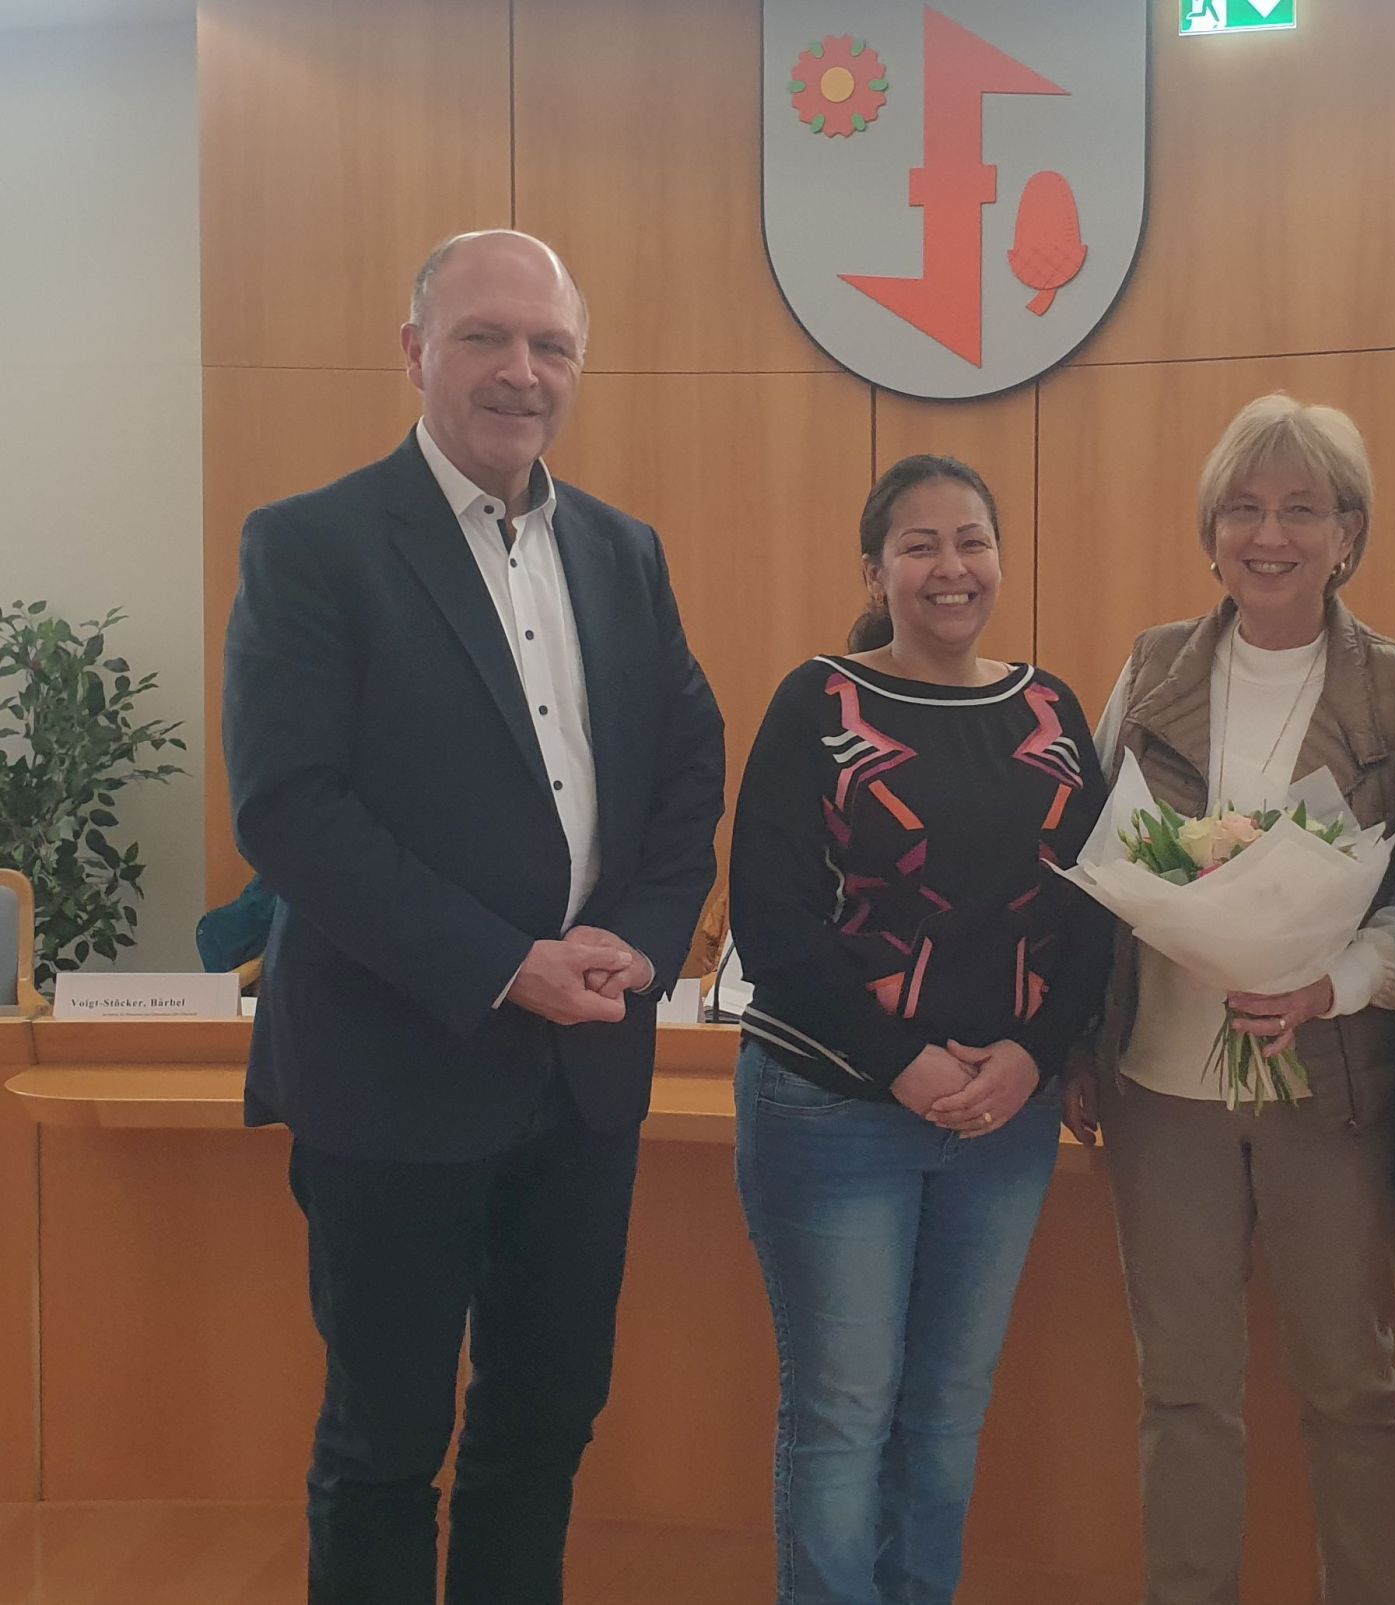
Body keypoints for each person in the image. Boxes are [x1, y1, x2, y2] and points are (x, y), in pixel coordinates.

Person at [222, 229, 725, 1605]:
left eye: (550, 344)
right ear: (416, 352)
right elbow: (291, 808)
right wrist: (505, 964)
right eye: (486, 338)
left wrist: (644, 930)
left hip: (582, 1078)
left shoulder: (624, 553)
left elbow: (688, 761)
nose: (522, 371)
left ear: (580, 365)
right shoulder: (313, 545)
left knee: (546, 1424)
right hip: (393, 1074)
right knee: (386, 1441)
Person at [728, 454, 1112, 1605]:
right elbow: (773, 922)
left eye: (972, 542)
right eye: (920, 545)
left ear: (1000, 556)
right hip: (835, 1110)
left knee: (947, 1414)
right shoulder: (820, 702)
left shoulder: (1049, 707)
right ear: (876, 569)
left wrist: (1036, 1057)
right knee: (844, 1415)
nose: (951, 568)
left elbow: (1095, 906)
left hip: (1007, 1115)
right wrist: (903, 1066)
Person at [1066, 392, 1395, 1605]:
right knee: (1183, 1391)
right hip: (1162, 1087)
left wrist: (1342, 979)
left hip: (1334, 1088)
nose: (1269, 534)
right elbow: (1094, 863)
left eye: (1301, 509)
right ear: (1211, 529)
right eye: (1243, 508)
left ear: (1348, 534)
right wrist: (1074, 1042)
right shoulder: (1153, 666)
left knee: (1353, 1387)